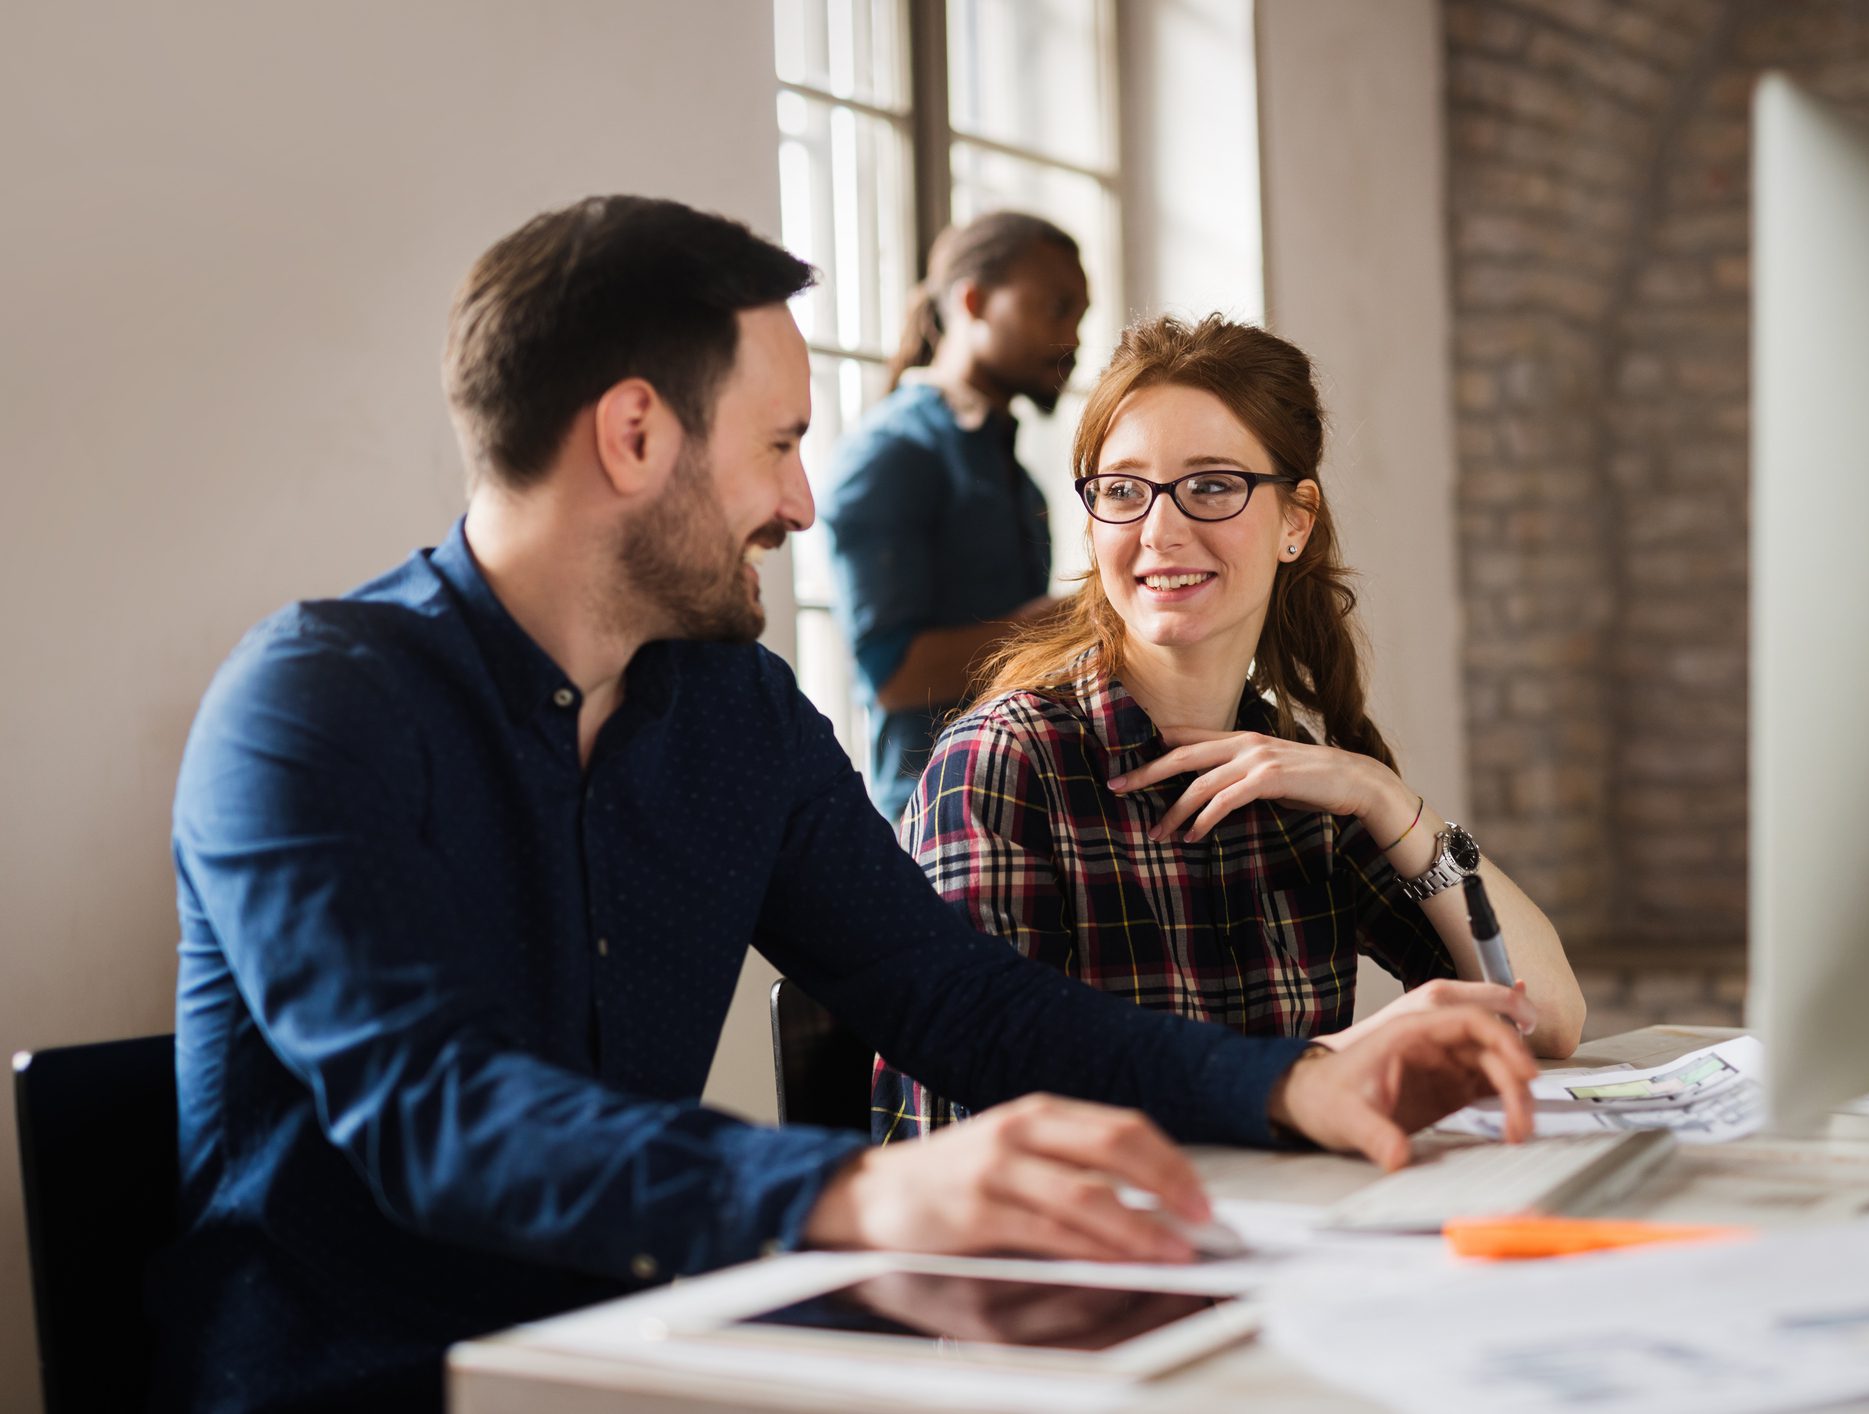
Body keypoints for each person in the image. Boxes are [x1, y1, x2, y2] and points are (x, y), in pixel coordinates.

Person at [152, 198, 1540, 1413]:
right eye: (780, 444)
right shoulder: (309, 704)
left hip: (650, 1354)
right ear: (635, 433)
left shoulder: (732, 711)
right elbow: (436, 1110)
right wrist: (851, 1194)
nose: (805, 503)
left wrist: (1294, 1079)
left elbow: (957, 995)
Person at [875, 315, 1585, 1141]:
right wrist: (1323, 1068)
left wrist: (1385, 798)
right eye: (1123, 489)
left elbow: (1546, 1019)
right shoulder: (1004, 761)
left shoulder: (1299, 777)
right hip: (1084, 1258)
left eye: (1211, 485)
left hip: (1295, 1235)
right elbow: (987, 1111)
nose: (1159, 530)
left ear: (1296, 521)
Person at [821, 211, 1084, 821]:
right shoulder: (890, 453)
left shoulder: (1017, 476)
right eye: (1058, 306)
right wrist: (1074, 619)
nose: (1074, 336)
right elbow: (893, 676)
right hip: (928, 827)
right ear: (973, 301)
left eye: (1081, 315)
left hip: (1018, 806)